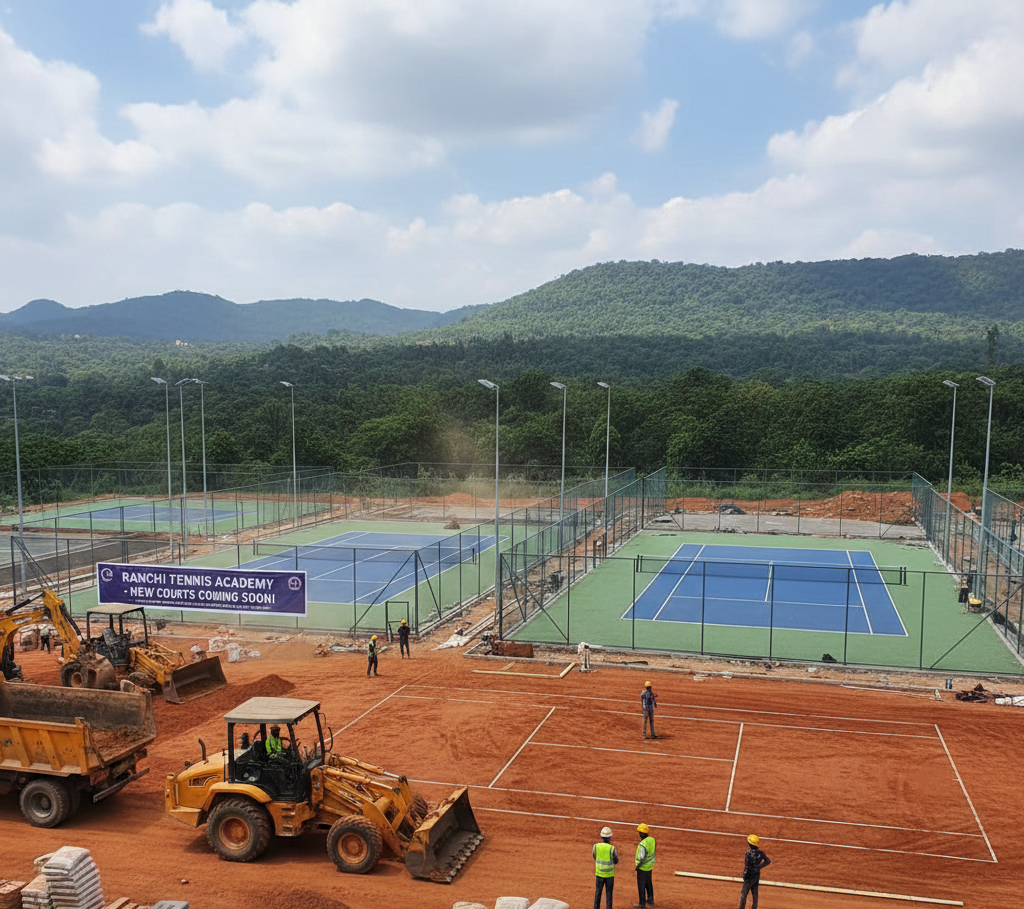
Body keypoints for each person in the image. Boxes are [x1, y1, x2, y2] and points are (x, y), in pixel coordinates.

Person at [737, 834, 771, 909]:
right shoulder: (760, 852)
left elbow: (747, 866)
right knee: (755, 893)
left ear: (750, 844)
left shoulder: (748, 853)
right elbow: (768, 861)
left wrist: (745, 874)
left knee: (744, 893)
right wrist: (759, 867)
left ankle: (741, 908)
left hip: (749, 876)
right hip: (756, 875)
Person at [593, 825, 618, 909]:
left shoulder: (596, 846)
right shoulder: (612, 848)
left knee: (598, 892)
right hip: (609, 875)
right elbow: (616, 860)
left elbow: (594, 856)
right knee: (609, 893)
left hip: (599, 873)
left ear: (601, 837)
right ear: (610, 837)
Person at [634, 823, 656, 908]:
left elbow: (641, 858)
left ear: (641, 834)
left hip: (643, 867)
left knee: (641, 885)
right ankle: (650, 899)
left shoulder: (643, 844)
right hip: (650, 866)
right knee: (648, 883)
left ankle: (642, 903)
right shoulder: (652, 840)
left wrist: (637, 866)